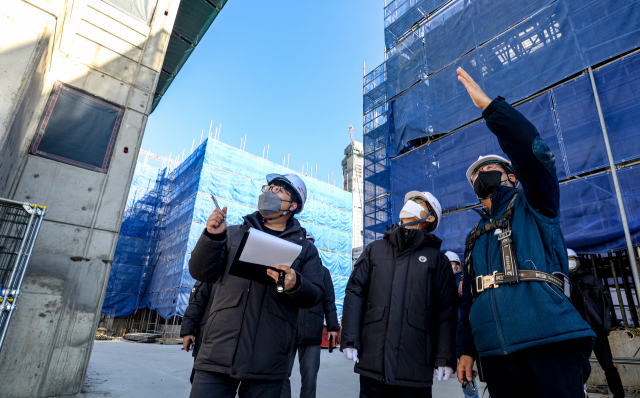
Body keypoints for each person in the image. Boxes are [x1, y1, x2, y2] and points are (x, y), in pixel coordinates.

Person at [455, 67, 596, 398]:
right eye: (476, 174)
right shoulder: (473, 236)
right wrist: (466, 349)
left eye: (492, 168)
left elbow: (535, 156)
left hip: (548, 342)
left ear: (512, 176)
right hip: (496, 357)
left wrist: (492, 110)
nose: (482, 174)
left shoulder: (534, 204)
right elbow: (468, 299)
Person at [188, 173, 325, 398]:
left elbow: (315, 295)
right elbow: (201, 272)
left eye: (278, 190)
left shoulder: (305, 250)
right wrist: (212, 239)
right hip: (218, 351)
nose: (269, 193)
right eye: (267, 188)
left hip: (268, 358)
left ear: (293, 205)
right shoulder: (231, 234)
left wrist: (296, 283)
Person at [341, 191, 459, 398]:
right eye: (410, 202)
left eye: (419, 202)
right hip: (373, 364)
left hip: (414, 367)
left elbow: (447, 310)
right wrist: (350, 338)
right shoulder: (374, 249)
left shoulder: (437, 259)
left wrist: (445, 356)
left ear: (430, 217)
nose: (411, 204)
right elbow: (355, 292)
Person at [281, 231, 340, 398]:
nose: (307, 246)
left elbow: (329, 300)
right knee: (282, 374)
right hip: (289, 328)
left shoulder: (323, 272)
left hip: (312, 330)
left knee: (310, 378)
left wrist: (333, 327)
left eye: (310, 242)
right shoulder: (287, 268)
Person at [568, 249, 624, 398]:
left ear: (578, 261)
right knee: (577, 369)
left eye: (571, 259)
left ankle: (619, 395)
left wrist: (605, 327)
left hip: (596, 331)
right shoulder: (562, 283)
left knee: (608, 366)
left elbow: (606, 306)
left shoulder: (591, 280)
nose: (569, 262)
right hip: (577, 333)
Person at [445, 251, 479, 398]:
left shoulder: (462, 280)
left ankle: (472, 396)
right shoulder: (442, 281)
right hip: (448, 332)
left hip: (461, 333)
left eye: (450, 265)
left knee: (465, 370)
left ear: (457, 265)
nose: (447, 268)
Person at [180, 281, 217, 383]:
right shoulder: (212, 272)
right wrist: (188, 331)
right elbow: (196, 303)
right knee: (202, 380)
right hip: (208, 337)